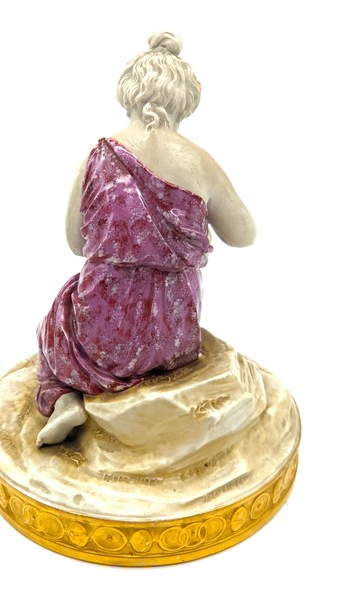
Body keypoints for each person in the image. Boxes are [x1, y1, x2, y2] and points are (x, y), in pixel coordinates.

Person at [36, 31, 256, 447]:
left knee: (59, 318)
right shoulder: (199, 162)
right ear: (185, 99)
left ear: (128, 92)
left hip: (103, 337)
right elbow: (244, 234)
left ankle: (65, 398)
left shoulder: (98, 157)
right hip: (173, 335)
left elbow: (75, 244)